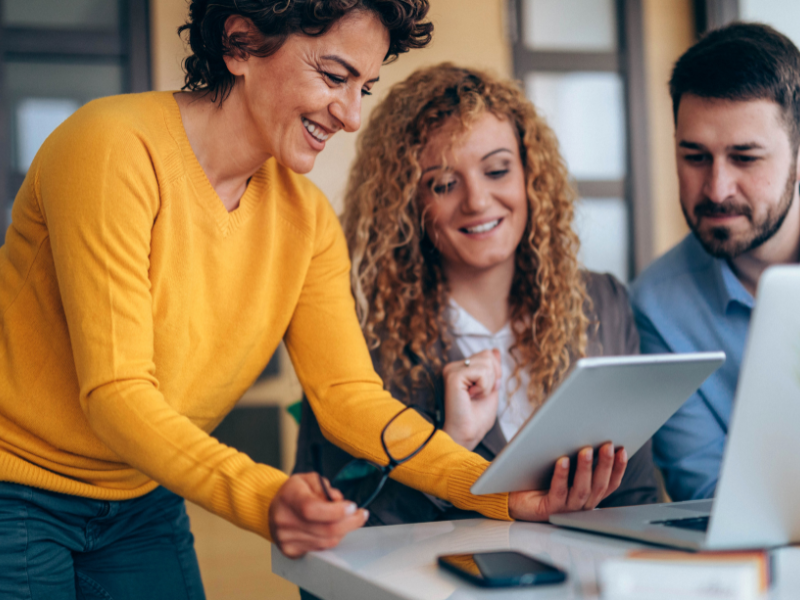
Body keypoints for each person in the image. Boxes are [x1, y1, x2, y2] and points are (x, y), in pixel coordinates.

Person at [0, 3, 558, 598]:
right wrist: (267, 498)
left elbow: (347, 397)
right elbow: (116, 394)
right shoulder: (111, 147)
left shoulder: (308, 220)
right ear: (239, 44)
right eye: (334, 76)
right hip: (17, 490)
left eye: (364, 87)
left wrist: (497, 490)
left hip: (142, 496)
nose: (350, 116)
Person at [295, 63, 657, 533]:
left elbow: (637, 497)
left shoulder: (602, 303)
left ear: (531, 174)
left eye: (497, 170)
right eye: (445, 184)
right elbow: (340, 533)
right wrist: (452, 442)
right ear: (408, 203)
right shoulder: (356, 333)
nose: (478, 201)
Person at [630, 23, 800, 502]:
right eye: (695, 156)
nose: (716, 188)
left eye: (745, 158)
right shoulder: (657, 305)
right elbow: (709, 494)